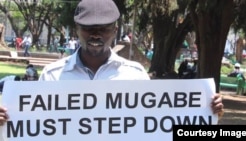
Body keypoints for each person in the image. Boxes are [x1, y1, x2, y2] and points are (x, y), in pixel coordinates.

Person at [0, 0, 223, 126]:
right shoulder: (52, 74)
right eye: (88, 28)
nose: (96, 35)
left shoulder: (135, 74)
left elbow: (157, 124)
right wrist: (6, 118)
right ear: (77, 30)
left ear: (115, 31)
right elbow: (34, 126)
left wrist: (204, 111)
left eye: (104, 28)